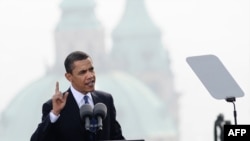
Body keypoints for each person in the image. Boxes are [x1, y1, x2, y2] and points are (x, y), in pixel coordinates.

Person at [30, 51, 125, 141]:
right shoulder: (53, 106)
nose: (90, 76)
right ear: (69, 77)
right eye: (83, 72)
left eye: (91, 70)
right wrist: (55, 113)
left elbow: (117, 138)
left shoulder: (105, 100)